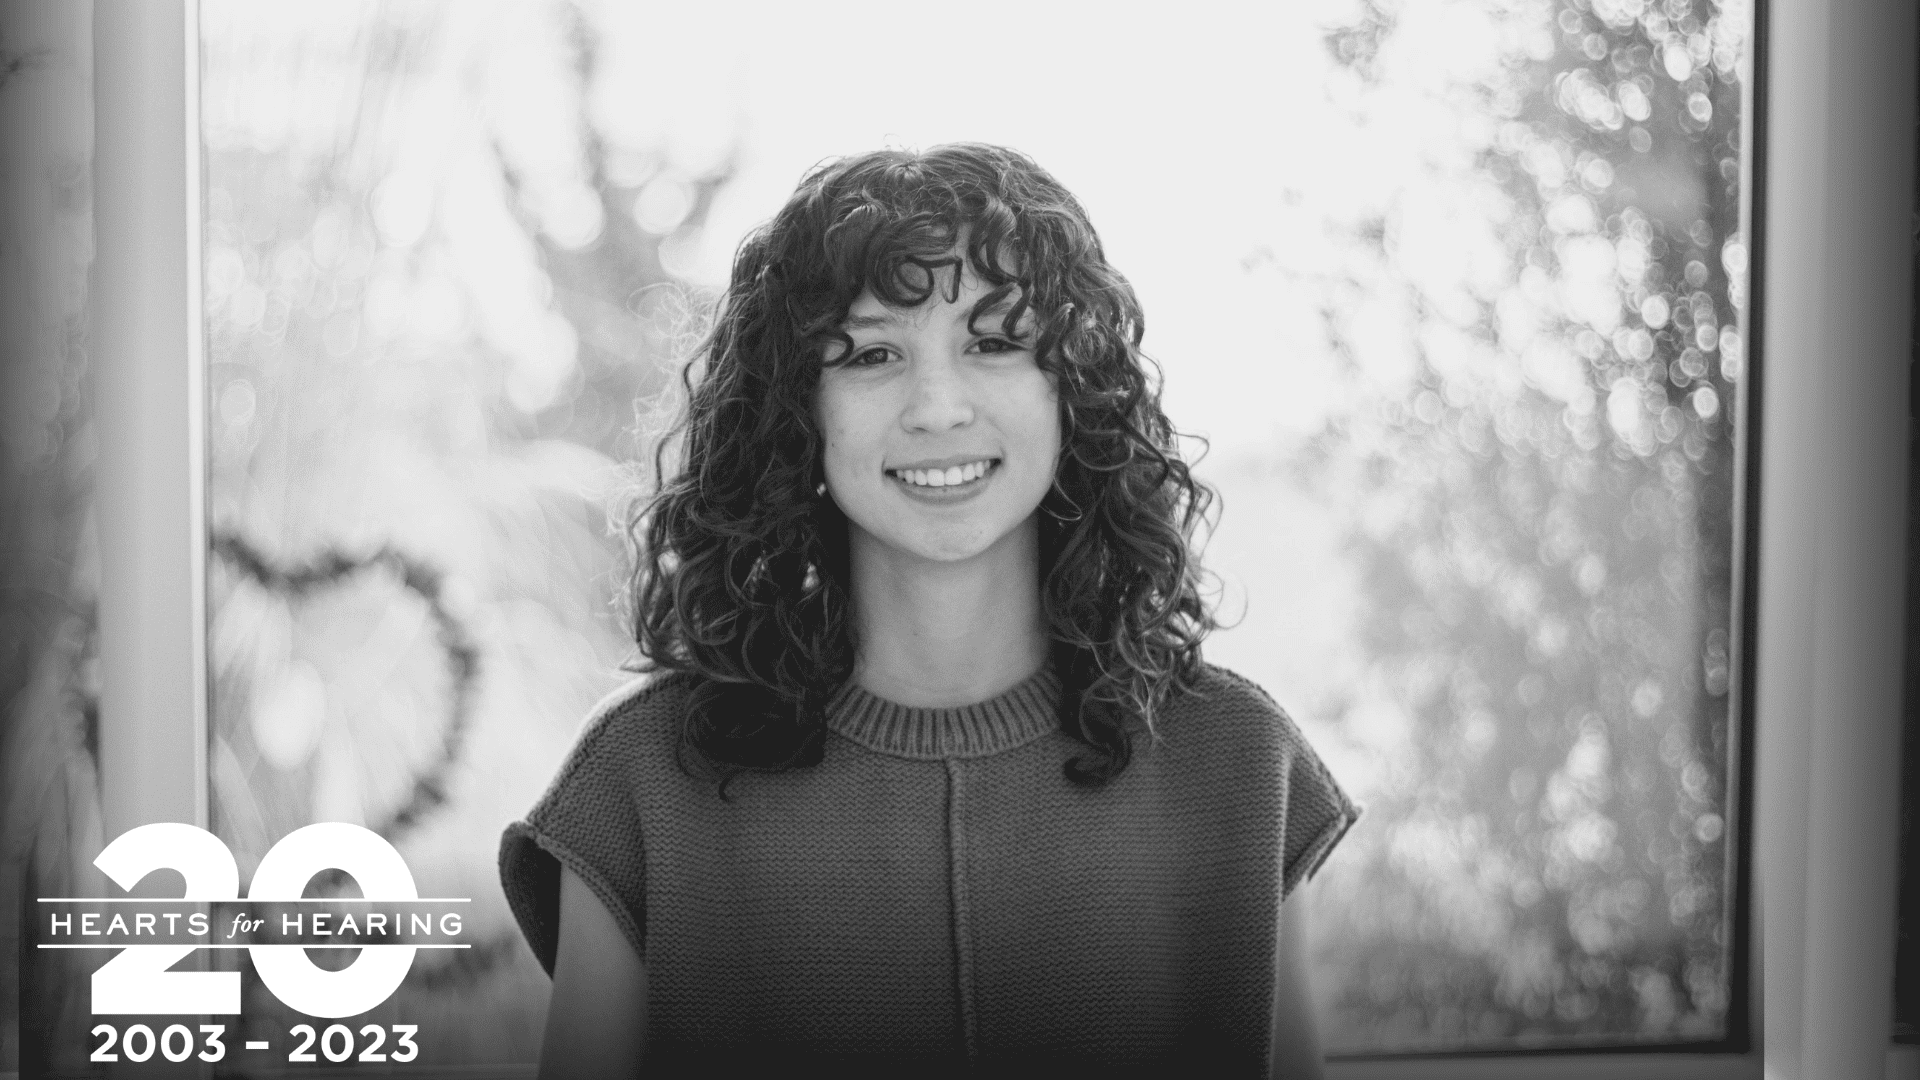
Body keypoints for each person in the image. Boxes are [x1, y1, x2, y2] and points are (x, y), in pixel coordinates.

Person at [499, 143, 1360, 1078]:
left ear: (1072, 387)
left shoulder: (1236, 763)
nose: (938, 406)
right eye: (872, 354)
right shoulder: (640, 780)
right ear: (799, 411)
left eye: (994, 343)